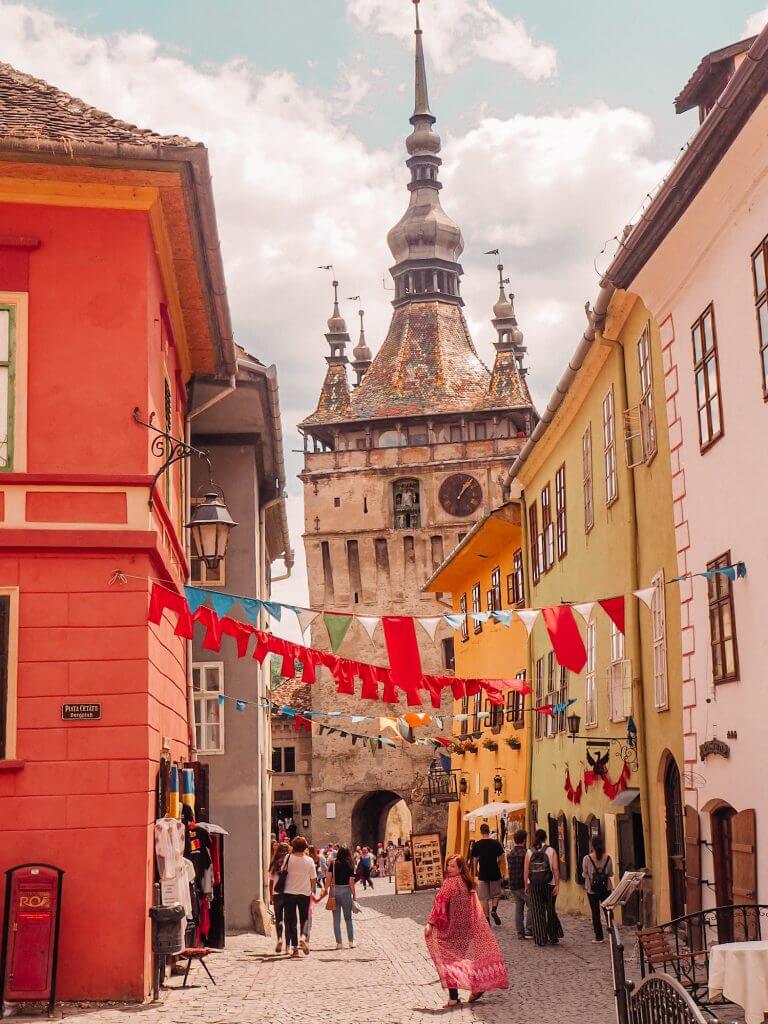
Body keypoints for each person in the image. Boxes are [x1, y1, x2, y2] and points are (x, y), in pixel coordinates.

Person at [424, 855, 509, 1008]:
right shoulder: (467, 883)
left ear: (460, 868)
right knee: (459, 959)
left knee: (449, 961)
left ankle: (455, 997)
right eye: (448, 865)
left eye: (453, 866)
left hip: (451, 930)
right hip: (466, 929)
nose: (449, 869)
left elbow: (440, 903)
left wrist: (431, 923)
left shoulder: (449, 883)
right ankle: (476, 985)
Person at [525, 828, 563, 946]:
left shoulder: (529, 851)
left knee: (537, 912)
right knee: (550, 910)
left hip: (534, 884)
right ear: (545, 838)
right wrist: (557, 884)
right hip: (549, 884)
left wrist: (526, 885)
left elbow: (526, 871)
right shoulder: (551, 850)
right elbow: (555, 869)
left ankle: (541, 939)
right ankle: (553, 936)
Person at [282, 836, 316, 957]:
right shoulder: (309, 860)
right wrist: (310, 888)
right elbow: (313, 879)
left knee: (291, 921)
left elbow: (282, 872)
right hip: (304, 893)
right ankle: (303, 937)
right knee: (304, 919)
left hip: (289, 892)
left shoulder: (288, 858)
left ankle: (295, 949)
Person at [317, 845, 357, 949]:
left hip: (334, 891)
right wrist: (354, 895)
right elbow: (351, 882)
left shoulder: (333, 863)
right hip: (346, 891)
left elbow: (329, 878)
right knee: (348, 918)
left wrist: (325, 889)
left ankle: (339, 943)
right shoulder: (350, 864)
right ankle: (351, 942)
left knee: (336, 919)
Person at [471, 823, 506, 925]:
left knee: (483, 898)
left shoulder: (477, 844)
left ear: (481, 832)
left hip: (483, 873)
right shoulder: (496, 843)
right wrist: (498, 864)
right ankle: (494, 910)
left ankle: (487, 919)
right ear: (489, 831)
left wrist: (475, 871)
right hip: (495, 872)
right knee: (496, 894)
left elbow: (475, 859)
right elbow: (501, 858)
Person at [582, 836, 613, 942]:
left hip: (592, 889)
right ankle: (612, 933)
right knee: (608, 911)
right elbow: (610, 873)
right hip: (606, 888)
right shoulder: (608, 858)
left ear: (592, 845)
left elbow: (584, 873)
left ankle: (599, 937)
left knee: (595, 913)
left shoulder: (587, 858)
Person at [506, 829, 530, 939]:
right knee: (532, 906)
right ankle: (529, 929)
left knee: (519, 908)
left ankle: (520, 933)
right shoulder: (525, 853)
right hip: (523, 884)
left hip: (513, 884)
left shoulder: (510, 854)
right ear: (524, 840)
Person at [268, 841, 290, 953]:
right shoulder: (290, 863)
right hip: (288, 894)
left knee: (278, 919)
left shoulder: (274, 863)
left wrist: (271, 896)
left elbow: (271, 882)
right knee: (288, 920)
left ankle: (280, 939)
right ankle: (288, 947)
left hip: (277, 894)